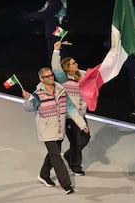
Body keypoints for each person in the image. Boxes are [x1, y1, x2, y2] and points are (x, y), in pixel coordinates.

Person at [22, 67, 89, 194]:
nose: (50, 78)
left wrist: (82, 124)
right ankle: (66, 184)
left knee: (54, 154)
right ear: (41, 79)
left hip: (59, 129)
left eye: (51, 75)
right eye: (47, 76)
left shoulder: (61, 90)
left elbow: (70, 109)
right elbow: (29, 108)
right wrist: (27, 99)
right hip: (47, 131)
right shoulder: (37, 95)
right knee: (56, 157)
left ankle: (44, 175)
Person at [51, 41, 91, 176]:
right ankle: (76, 166)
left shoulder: (82, 76)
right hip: (69, 115)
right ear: (67, 67)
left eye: (76, 62)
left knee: (85, 139)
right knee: (77, 142)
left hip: (81, 115)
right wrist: (56, 51)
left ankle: (69, 155)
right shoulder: (63, 78)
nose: (76, 64)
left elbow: (95, 74)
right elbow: (55, 67)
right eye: (72, 63)